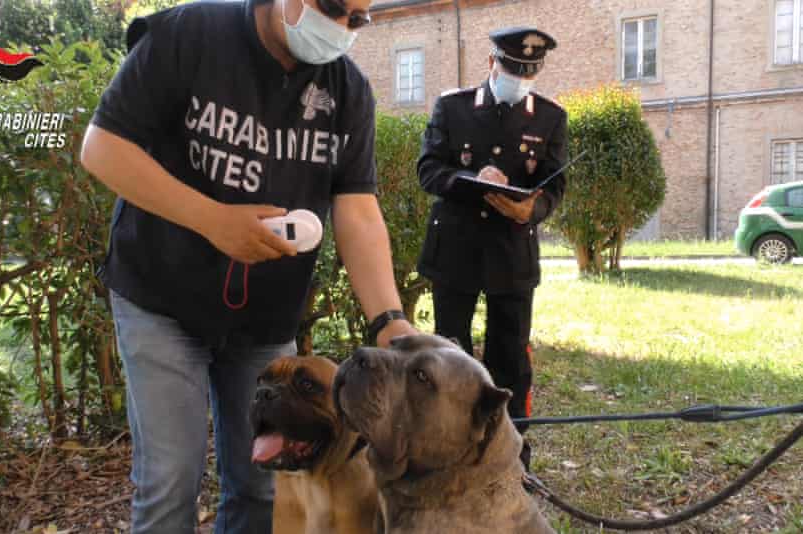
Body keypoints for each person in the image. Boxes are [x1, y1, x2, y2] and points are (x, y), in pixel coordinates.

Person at [79, 0, 416, 531]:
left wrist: (388, 319)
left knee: (265, 482)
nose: (342, 27)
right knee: (170, 479)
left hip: (264, 316)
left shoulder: (348, 91)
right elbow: (102, 148)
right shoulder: (188, 34)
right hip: (162, 297)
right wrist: (212, 219)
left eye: (357, 19)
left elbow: (357, 208)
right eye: (333, 8)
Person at [416, 26, 567, 470]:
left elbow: (555, 184)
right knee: (450, 353)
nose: (518, 79)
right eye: (510, 69)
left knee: (511, 357)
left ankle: (512, 451)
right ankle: (449, 445)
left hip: (512, 254)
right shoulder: (453, 107)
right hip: (456, 250)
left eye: (528, 72)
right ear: (491, 64)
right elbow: (429, 170)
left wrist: (533, 211)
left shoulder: (551, 118)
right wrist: (472, 182)